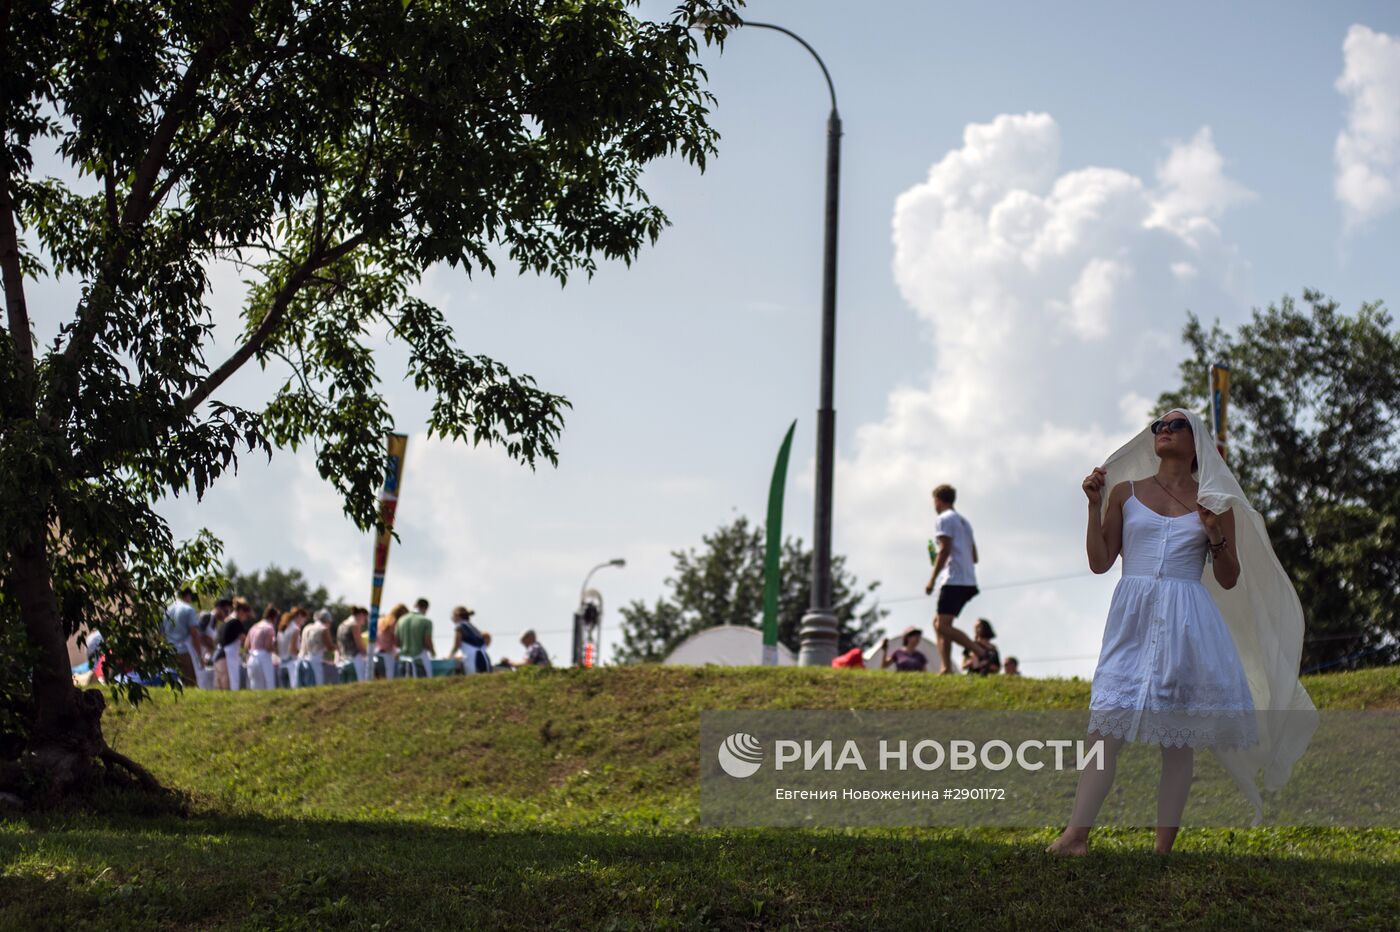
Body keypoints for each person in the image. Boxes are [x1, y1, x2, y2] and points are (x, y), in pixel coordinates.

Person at [1048, 408, 1316, 857]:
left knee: (1178, 742)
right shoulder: (1125, 494)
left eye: (1175, 426)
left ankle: (1162, 851)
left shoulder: (1215, 502)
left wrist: (1214, 534)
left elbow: (1229, 577)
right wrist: (1093, 506)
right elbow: (1099, 562)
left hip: (1187, 620)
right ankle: (1076, 836)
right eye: (1159, 426)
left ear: (1198, 442)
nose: (1164, 431)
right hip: (1131, 619)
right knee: (1104, 731)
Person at [924, 485, 990, 675]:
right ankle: (945, 667)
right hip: (967, 579)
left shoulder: (943, 519)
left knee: (941, 625)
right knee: (940, 623)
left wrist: (932, 579)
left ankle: (980, 652)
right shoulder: (964, 522)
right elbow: (974, 556)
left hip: (954, 579)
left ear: (938, 500)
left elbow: (944, 549)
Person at [162, 587, 205, 688]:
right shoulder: (189, 609)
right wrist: (199, 655)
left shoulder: (166, 610)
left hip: (169, 652)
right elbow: (194, 634)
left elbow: (162, 633)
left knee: (171, 683)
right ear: (188, 596)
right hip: (184, 651)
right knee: (190, 683)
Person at [214, 598, 252, 690]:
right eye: (246, 615)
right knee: (232, 683)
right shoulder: (236, 622)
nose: (246, 618)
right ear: (241, 611)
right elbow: (245, 641)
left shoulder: (226, 621)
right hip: (228, 656)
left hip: (219, 656)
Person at [396, 601, 436, 678]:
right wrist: (433, 652)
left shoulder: (401, 620)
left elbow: (397, 642)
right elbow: (427, 641)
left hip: (403, 660)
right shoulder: (426, 621)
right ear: (426, 608)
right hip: (419, 660)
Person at [450, 606, 492, 674]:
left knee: (474, 680)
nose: (451, 618)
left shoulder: (459, 626)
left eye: (452, 616)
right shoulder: (473, 627)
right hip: (484, 656)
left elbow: (457, 645)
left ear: (457, 616)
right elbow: (487, 636)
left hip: (471, 658)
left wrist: (449, 657)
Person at [245, 608, 279, 690]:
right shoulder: (269, 628)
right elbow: (268, 646)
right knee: (268, 683)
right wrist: (277, 650)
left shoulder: (254, 626)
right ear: (273, 617)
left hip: (252, 657)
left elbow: (246, 645)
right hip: (264, 658)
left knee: (254, 684)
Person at [299, 608, 334, 686]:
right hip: (314, 662)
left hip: (301, 660)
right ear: (327, 620)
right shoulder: (323, 629)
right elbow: (330, 647)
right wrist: (337, 648)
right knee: (316, 686)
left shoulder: (307, 627)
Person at [336, 607, 369, 682]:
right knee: (358, 683)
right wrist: (368, 655)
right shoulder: (354, 625)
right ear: (361, 615)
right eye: (365, 618)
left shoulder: (342, 625)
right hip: (355, 660)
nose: (364, 622)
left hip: (343, 659)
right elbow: (359, 645)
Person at [377, 603, 406, 680]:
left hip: (378, 652)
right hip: (389, 654)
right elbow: (397, 641)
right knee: (390, 678)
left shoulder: (381, 620)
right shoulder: (394, 622)